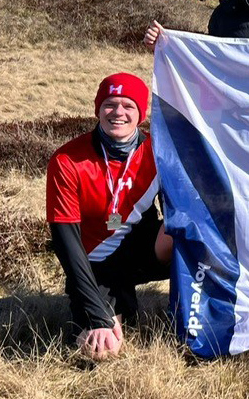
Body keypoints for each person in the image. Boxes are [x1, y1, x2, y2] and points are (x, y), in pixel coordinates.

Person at [46, 73, 171, 360]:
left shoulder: (158, 150)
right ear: (98, 110)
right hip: (94, 263)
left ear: (141, 113)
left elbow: (176, 214)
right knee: (101, 350)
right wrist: (97, 314)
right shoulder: (66, 161)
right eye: (110, 105)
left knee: (185, 235)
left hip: (138, 250)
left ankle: (196, 319)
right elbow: (67, 244)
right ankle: (114, 303)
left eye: (128, 105)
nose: (118, 112)